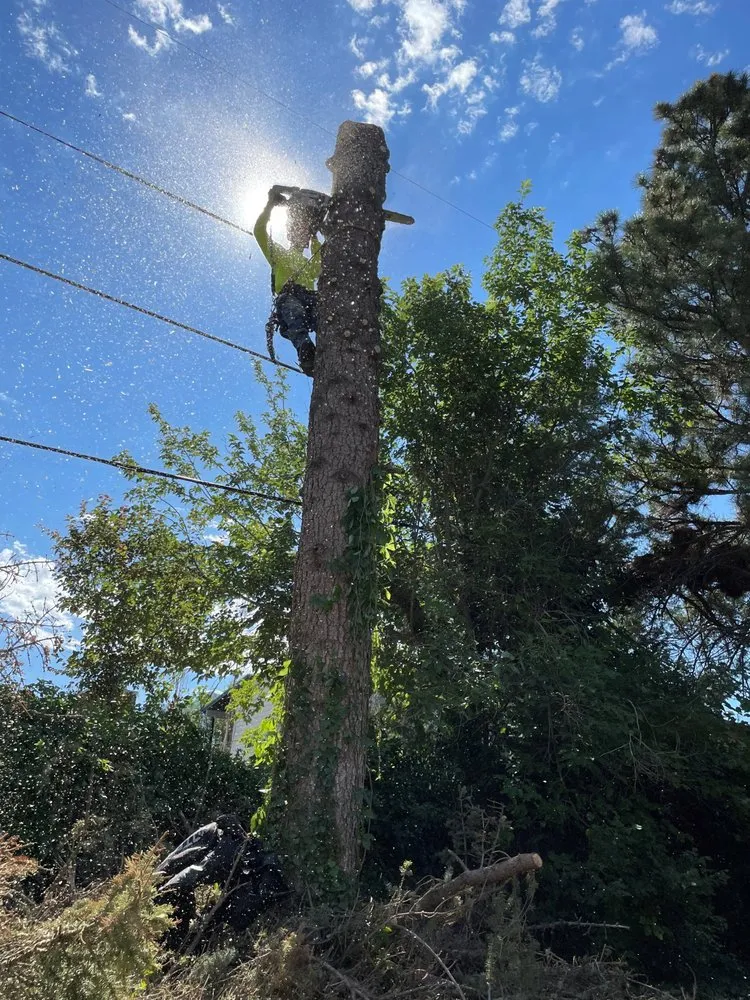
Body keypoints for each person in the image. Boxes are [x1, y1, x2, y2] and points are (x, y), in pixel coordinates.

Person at [254, 186, 322, 376]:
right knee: (294, 311)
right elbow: (259, 231)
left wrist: (315, 235)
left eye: (305, 235)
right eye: (298, 233)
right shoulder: (279, 254)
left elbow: (320, 261)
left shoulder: (310, 264)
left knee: (324, 317)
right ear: (291, 236)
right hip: (290, 296)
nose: (302, 238)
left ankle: (329, 345)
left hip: (311, 298)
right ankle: (306, 350)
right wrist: (269, 206)